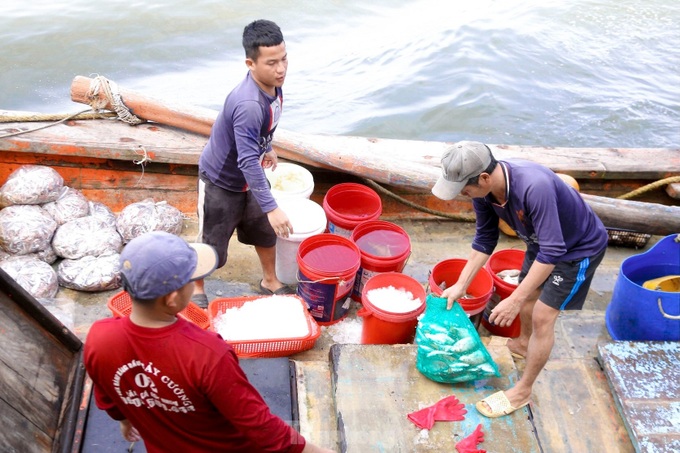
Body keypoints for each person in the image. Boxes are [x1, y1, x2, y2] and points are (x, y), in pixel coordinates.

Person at [83, 231, 335, 453]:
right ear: (172, 298)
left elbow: (107, 394)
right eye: (190, 280)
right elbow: (260, 427)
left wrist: (126, 420)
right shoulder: (207, 354)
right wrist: (314, 451)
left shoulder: (99, 338)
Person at [431, 141, 608, 418]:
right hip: (541, 245)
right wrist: (460, 285)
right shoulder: (483, 193)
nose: (463, 196)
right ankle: (525, 343)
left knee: (542, 315)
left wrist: (514, 298)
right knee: (527, 303)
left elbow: (554, 252)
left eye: (465, 189)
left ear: (484, 178)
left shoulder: (533, 187)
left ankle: (523, 390)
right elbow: (484, 239)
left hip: (577, 250)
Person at [193, 19, 294, 308]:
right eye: (272, 63)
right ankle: (197, 286)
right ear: (250, 63)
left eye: (284, 58)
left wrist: (268, 146)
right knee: (212, 242)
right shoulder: (248, 103)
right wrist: (272, 207)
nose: (281, 69)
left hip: (249, 177)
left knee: (264, 230)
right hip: (221, 181)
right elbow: (247, 159)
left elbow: (261, 131)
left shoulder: (273, 86)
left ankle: (269, 280)